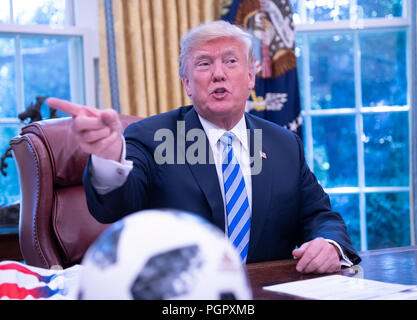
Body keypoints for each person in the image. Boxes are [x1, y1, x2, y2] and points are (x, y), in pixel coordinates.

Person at [47, 20, 361, 273]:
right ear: (186, 83)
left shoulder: (283, 144)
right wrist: (107, 154)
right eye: (204, 63)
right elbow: (115, 208)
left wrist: (329, 244)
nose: (218, 73)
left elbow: (321, 215)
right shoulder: (150, 137)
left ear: (251, 76)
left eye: (231, 61)